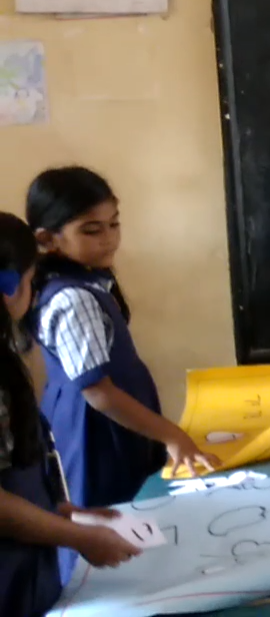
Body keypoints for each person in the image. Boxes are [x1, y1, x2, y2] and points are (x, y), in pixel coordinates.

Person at [28, 166, 218, 576]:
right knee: (107, 519)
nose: (109, 238)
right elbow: (98, 393)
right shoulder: (73, 298)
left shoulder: (91, 282)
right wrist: (173, 435)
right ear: (47, 239)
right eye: (91, 230)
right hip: (95, 432)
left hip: (112, 425)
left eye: (114, 224)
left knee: (135, 516)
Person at [0, 214, 141, 610]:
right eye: (31, 280)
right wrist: (79, 537)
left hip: (27, 568)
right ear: (9, 288)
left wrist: (63, 512)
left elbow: (13, 470)